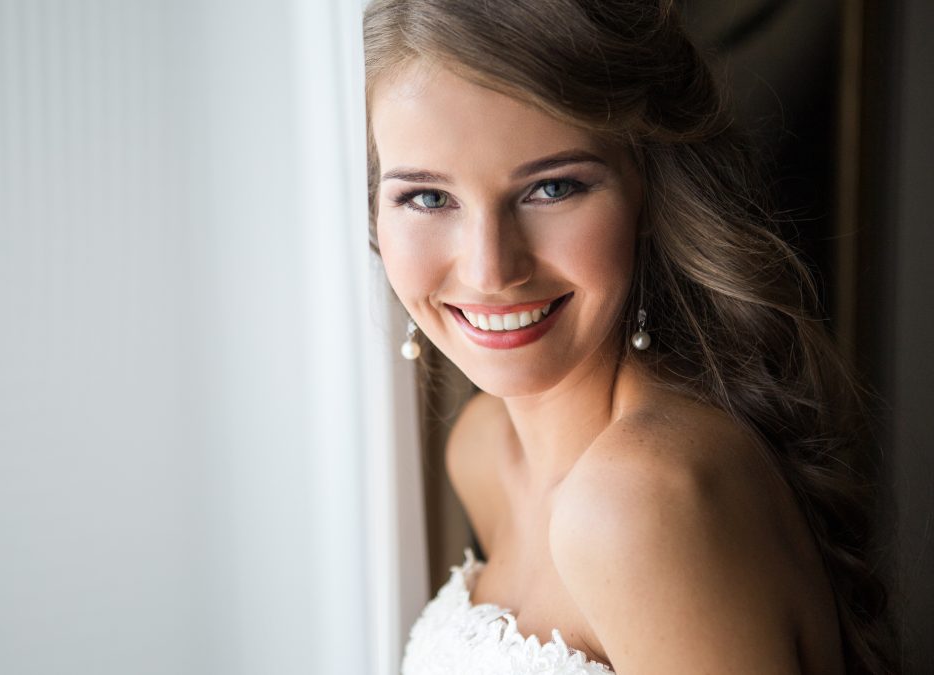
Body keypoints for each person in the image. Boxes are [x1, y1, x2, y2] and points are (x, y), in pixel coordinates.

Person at [363, 1, 897, 673]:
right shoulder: (482, 450)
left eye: (552, 187)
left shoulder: (639, 501)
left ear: (647, 191)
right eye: (428, 198)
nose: (491, 269)